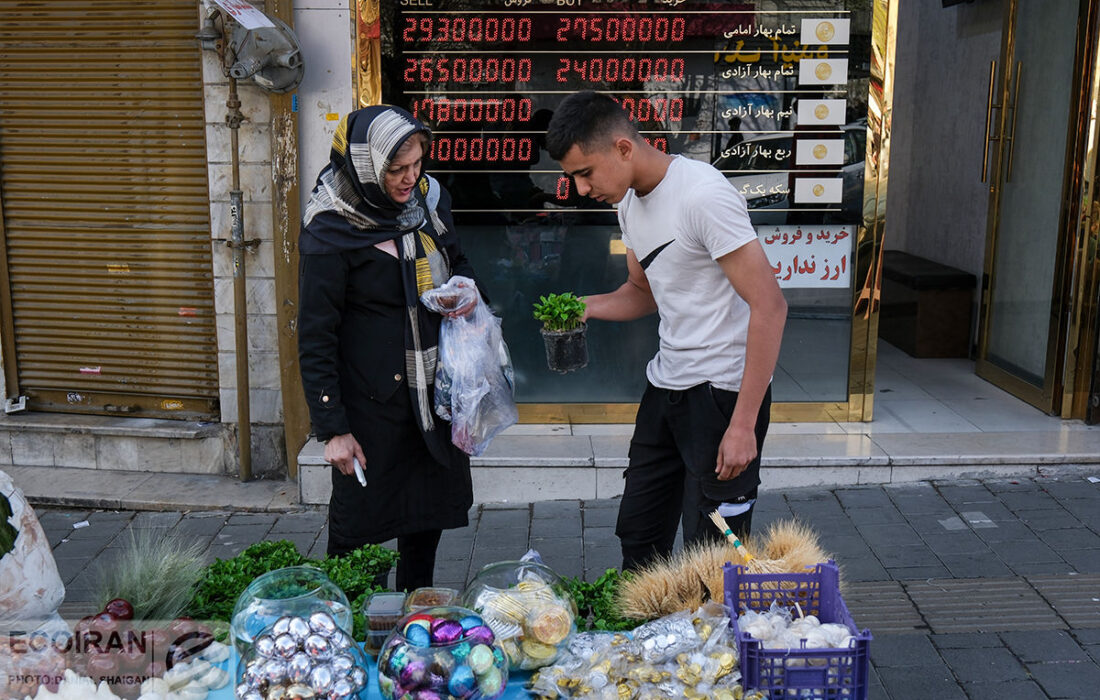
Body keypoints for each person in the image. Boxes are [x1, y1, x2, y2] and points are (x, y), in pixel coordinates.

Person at [545, 91, 787, 571]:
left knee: (713, 551)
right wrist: (583, 307)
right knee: (639, 534)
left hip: (721, 394)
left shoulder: (703, 194)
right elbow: (643, 292)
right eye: (573, 177)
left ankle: (714, 643)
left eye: (585, 173)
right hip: (666, 387)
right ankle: (646, 637)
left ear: (623, 148)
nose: (580, 189)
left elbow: (771, 306)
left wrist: (743, 425)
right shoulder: (629, 206)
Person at [297, 105, 484, 590]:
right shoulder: (330, 226)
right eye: (396, 170)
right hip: (369, 409)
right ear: (365, 166)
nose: (410, 179)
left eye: (417, 164)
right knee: (355, 535)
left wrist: (464, 288)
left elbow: (457, 259)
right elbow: (317, 335)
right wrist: (332, 429)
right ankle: (348, 630)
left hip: (430, 398)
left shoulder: (428, 199)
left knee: (425, 525)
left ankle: (417, 629)